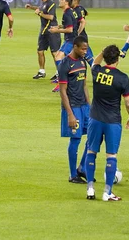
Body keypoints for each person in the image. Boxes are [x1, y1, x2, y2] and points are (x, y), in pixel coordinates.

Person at [85, 45, 129, 202]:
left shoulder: (96, 72)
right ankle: (107, 192)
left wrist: (102, 51)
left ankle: (90, 188)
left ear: (105, 57)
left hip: (94, 118)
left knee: (91, 152)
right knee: (111, 155)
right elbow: (127, 102)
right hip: (112, 121)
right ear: (118, 59)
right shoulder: (122, 78)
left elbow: (94, 63)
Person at [58, 36, 91, 184]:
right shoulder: (65, 64)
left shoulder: (83, 62)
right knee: (76, 139)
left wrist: (90, 107)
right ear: (75, 47)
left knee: (93, 136)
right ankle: (72, 175)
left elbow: (84, 86)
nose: (85, 51)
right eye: (83, 48)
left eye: (86, 48)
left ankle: (82, 168)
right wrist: (70, 114)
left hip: (84, 106)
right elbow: (63, 91)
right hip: (73, 107)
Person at [24, 0, 60, 79]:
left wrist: (39, 13)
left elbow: (51, 17)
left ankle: (59, 72)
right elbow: (40, 8)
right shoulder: (43, 3)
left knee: (54, 53)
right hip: (43, 30)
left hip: (52, 30)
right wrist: (31, 7)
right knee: (40, 51)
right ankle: (42, 71)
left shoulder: (51, 3)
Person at [48, 0, 78, 92]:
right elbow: (69, 24)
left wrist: (56, 31)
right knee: (67, 61)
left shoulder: (67, 13)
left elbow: (69, 29)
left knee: (58, 57)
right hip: (73, 40)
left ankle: (63, 81)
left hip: (71, 40)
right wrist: (58, 27)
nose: (59, 0)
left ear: (66, 2)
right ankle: (65, 79)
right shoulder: (70, 11)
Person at [71, 0, 95, 66]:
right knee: (87, 55)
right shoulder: (81, 8)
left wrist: (78, 33)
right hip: (83, 35)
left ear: (75, 1)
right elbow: (86, 13)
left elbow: (83, 22)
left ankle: (96, 69)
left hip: (80, 36)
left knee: (87, 56)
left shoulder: (75, 10)